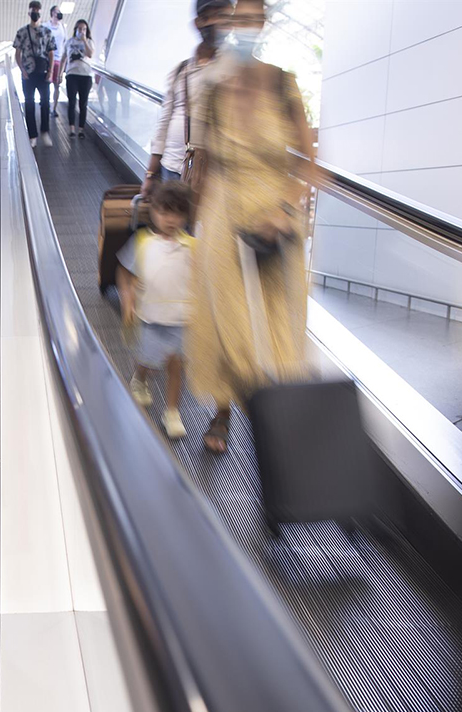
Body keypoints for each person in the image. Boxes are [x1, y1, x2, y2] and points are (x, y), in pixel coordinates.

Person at [187, 0, 315, 454]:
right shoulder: (210, 90)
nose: (242, 26)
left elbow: (311, 165)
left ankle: (276, 421)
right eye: (235, 18)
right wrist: (192, 228)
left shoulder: (284, 83)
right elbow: (201, 161)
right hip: (223, 216)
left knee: (277, 325)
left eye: (252, 18)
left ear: (263, 24)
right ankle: (223, 411)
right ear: (222, 24)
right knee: (227, 322)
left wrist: (284, 209)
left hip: (274, 219)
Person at [118, 183, 195, 439]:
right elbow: (124, 272)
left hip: (180, 320)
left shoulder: (193, 248)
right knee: (148, 362)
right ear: (153, 212)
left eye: (177, 214)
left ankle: (172, 412)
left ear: (186, 216)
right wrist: (128, 298)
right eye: (165, 212)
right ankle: (140, 378)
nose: (171, 220)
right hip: (149, 318)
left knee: (176, 365)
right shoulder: (142, 243)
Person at [142, 0, 235, 199]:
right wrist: (150, 173)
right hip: (171, 168)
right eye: (217, 15)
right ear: (199, 22)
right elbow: (164, 123)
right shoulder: (180, 70)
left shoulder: (234, 70)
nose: (223, 24)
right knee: (174, 229)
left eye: (228, 17)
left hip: (212, 174)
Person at [14, 1, 57, 148]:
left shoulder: (47, 32)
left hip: (44, 73)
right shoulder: (22, 32)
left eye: (37, 11)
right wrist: (22, 70)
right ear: (29, 12)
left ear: (41, 12)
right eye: (33, 10)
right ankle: (32, 135)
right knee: (29, 103)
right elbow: (17, 53)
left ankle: (45, 131)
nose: (35, 13)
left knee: (45, 102)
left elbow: (51, 53)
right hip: (28, 74)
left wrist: (51, 71)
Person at [60, 18, 93, 137]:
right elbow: (63, 58)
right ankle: (72, 128)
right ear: (76, 29)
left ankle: (81, 129)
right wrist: (60, 74)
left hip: (85, 76)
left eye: (84, 29)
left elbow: (90, 54)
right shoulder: (69, 42)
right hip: (72, 74)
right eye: (80, 29)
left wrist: (84, 41)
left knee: (83, 103)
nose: (82, 31)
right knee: (72, 101)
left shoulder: (89, 41)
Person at [44, 5, 67, 119]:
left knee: (57, 84)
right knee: (47, 84)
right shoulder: (46, 26)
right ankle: (46, 105)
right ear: (52, 12)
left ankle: (54, 108)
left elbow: (65, 43)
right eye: (57, 12)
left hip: (58, 59)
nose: (59, 14)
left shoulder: (62, 26)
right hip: (47, 59)